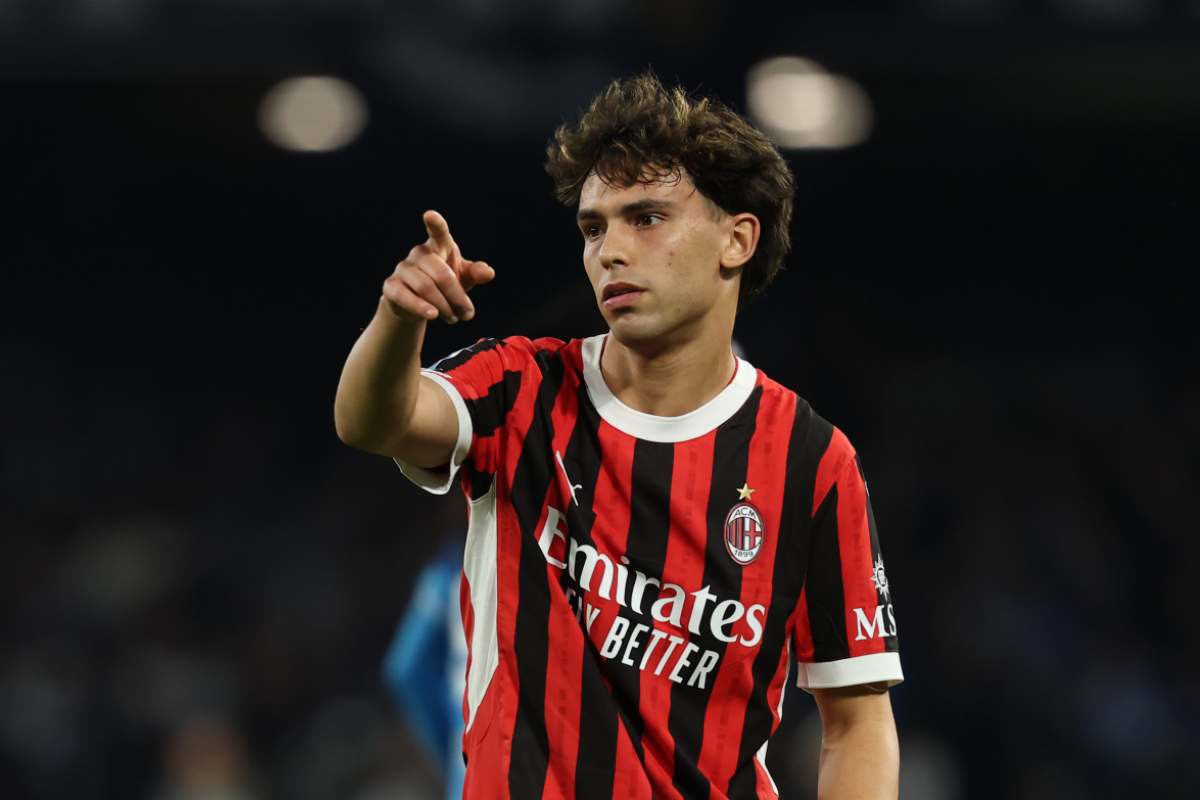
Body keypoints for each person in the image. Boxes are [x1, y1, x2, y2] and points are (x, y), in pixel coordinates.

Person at [335, 72, 902, 800]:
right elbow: (371, 421)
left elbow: (857, 721)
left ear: (737, 240)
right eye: (594, 228)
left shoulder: (813, 460)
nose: (610, 250)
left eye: (647, 218)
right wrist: (397, 317)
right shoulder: (521, 386)